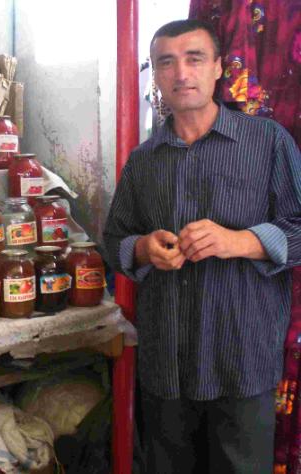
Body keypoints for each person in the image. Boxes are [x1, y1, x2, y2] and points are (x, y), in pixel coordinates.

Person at [103, 19, 301, 473]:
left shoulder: (267, 142)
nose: (181, 73)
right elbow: (114, 240)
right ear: (156, 74)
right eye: (166, 62)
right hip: (167, 361)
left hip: (241, 357)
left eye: (194, 59)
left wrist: (241, 240)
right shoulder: (144, 160)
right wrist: (142, 248)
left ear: (218, 68)